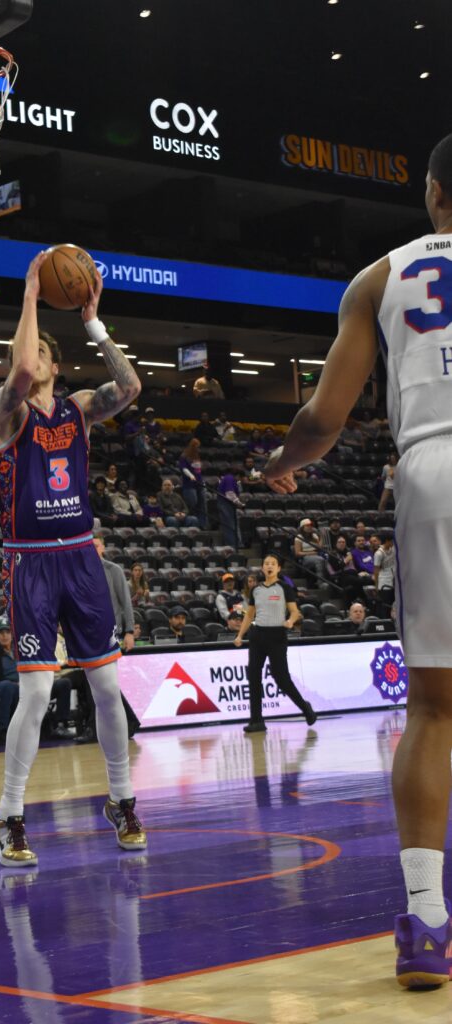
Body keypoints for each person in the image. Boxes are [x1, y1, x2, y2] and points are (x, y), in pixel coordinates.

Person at [262, 133, 452, 989]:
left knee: (435, 711)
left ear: (432, 192)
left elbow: (322, 418)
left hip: (433, 468)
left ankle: (425, 923)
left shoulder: (379, 277)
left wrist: (281, 462)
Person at [0, 251, 146, 866]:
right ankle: (10, 816)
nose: (29, 362)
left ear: (58, 364)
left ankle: (122, 800)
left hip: (80, 558)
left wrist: (94, 324)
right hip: (30, 562)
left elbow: (130, 388)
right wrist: (30, 291)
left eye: (40, 354)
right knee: (35, 696)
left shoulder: (79, 408)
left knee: (106, 686)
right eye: (23, 356)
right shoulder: (6, 412)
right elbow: (22, 367)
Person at [233, 553, 315, 733]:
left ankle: (305, 708)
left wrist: (290, 621)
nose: (269, 566)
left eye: (273, 563)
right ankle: (256, 720)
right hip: (257, 636)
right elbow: (249, 614)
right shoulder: (256, 590)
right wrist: (240, 635)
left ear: (278, 568)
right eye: (266, 563)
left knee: (282, 679)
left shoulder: (285, 587)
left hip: (277, 636)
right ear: (263, 568)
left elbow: (295, 611)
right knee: (253, 677)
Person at [92, 536, 136, 651]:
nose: (92, 550)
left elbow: (126, 602)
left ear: (103, 548)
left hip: (112, 633)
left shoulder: (114, 570)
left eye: (96, 546)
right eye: (89, 547)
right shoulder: (79, 572)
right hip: (89, 632)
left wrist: (130, 632)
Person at [178, 438, 208, 528]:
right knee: (192, 502)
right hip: (189, 484)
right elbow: (183, 468)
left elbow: (198, 470)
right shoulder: (184, 456)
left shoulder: (197, 456)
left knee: (202, 504)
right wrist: (190, 475)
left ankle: (203, 525)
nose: (197, 448)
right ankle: (193, 523)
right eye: (196, 446)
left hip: (199, 483)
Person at [217, 468, 244, 549]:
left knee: (232, 524)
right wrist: (239, 503)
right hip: (225, 504)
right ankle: (232, 545)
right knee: (229, 525)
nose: (240, 480)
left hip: (229, 504)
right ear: (238, 475)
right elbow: (229, 493)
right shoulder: (229, 478)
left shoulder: (230, 479)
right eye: (240, 478)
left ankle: (237, 543)